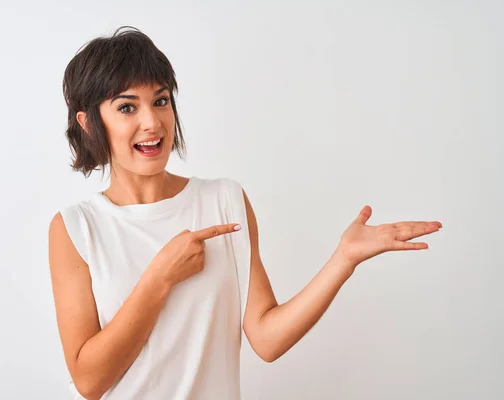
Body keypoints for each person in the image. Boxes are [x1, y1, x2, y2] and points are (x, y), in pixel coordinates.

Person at [48, 26, 443, 400]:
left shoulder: (224, 200)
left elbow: (266, 339)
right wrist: (158, 279)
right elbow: (89, 382)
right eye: (127, 107)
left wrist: (344, 259)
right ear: (88, 123)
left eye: (161, 100)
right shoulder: (76, 228)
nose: (152, 122)